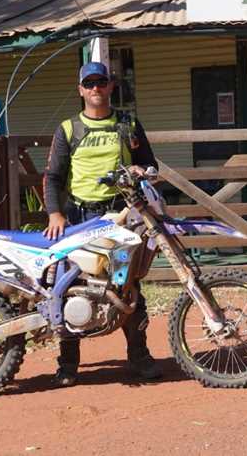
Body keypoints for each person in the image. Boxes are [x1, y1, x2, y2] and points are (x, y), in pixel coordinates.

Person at [43, 61, 163, 387]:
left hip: (120, 218)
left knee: (128, 286)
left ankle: (139, 357)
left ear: (111, 86)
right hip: (80, 219)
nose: (96, 88)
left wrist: (141, 171)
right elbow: (52, 177)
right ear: (81, 89)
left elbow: (149, 163)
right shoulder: (68, 129)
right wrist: (55, 214)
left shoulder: (127, 123)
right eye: (89, 83)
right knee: (69, 289)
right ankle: (68, 366)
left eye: (101, 82)